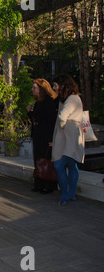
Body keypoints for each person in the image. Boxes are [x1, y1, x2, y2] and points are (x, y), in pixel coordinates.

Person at [51, 75, 85, 206]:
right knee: (71, 164)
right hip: (69, 135)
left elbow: (62, 117)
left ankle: (66, 195)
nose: (54, 88)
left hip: (68, 135)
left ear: (63, 85)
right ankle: (70, 194)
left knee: (59, 165)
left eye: (56, 85)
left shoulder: (72, 99)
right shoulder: (67, 99)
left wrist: (62, 126)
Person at [27, 78, 58, 193]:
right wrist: (30, 112)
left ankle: (48, 185)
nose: (32, 90)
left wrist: (51, 139)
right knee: (38, 159)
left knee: (46, 160)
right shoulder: (38, 102)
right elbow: (37, 119)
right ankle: (39, 183)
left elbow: (51, 122)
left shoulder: (48, 102)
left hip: (45, 136)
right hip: (38, 135)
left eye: (35, 87)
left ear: (41, 89)